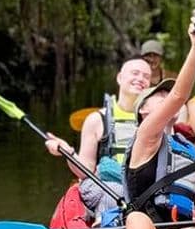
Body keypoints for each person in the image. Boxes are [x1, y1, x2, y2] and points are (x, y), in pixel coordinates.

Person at [123, 18, 195, 229]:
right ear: (143, 110)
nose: (168, 99)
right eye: (159, 95)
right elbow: (178, 95)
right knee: (135, 219)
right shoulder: (146, 136)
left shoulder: (189, 147)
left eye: (167, 94)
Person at [44, 58, 152, 220]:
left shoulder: (154, 119)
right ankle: (106, 227)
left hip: (140, 187)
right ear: (119, 77)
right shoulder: (96, 120)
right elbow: (85, 170)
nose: (140, 79)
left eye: (146, 76)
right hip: (105, 186)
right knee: (114, 193)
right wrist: (68, 152)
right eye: (135, 73)